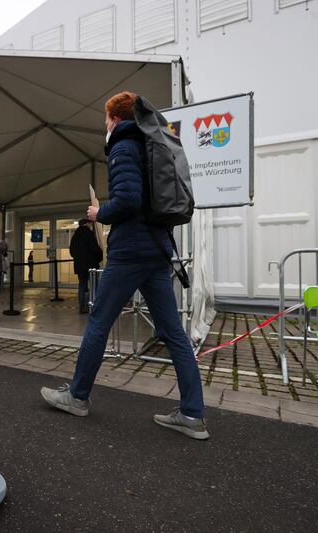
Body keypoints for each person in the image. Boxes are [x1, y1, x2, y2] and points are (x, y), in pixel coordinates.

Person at [40, 91, 208, 440]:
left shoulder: (123, 146)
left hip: (130, 250)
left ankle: (77, 396)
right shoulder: (152, 145)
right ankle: (193, 414)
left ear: (115, 119)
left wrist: (98, 212)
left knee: (99, 322)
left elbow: (127, 201)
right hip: (158, 250)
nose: (104, 125)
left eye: (105, 119)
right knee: (174, 334)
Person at [69, 218, 102, 314]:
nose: (91, 225)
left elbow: (72, 251)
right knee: (93, 286)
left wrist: (78, 259)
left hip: (79, 266)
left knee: (82, 285)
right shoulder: (89, 234)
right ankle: (93, 306)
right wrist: (100, 256)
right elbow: (95, 249)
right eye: (90, 224)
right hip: (91, 265)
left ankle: (82, 307)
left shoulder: (75, 236)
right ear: (87, 224)